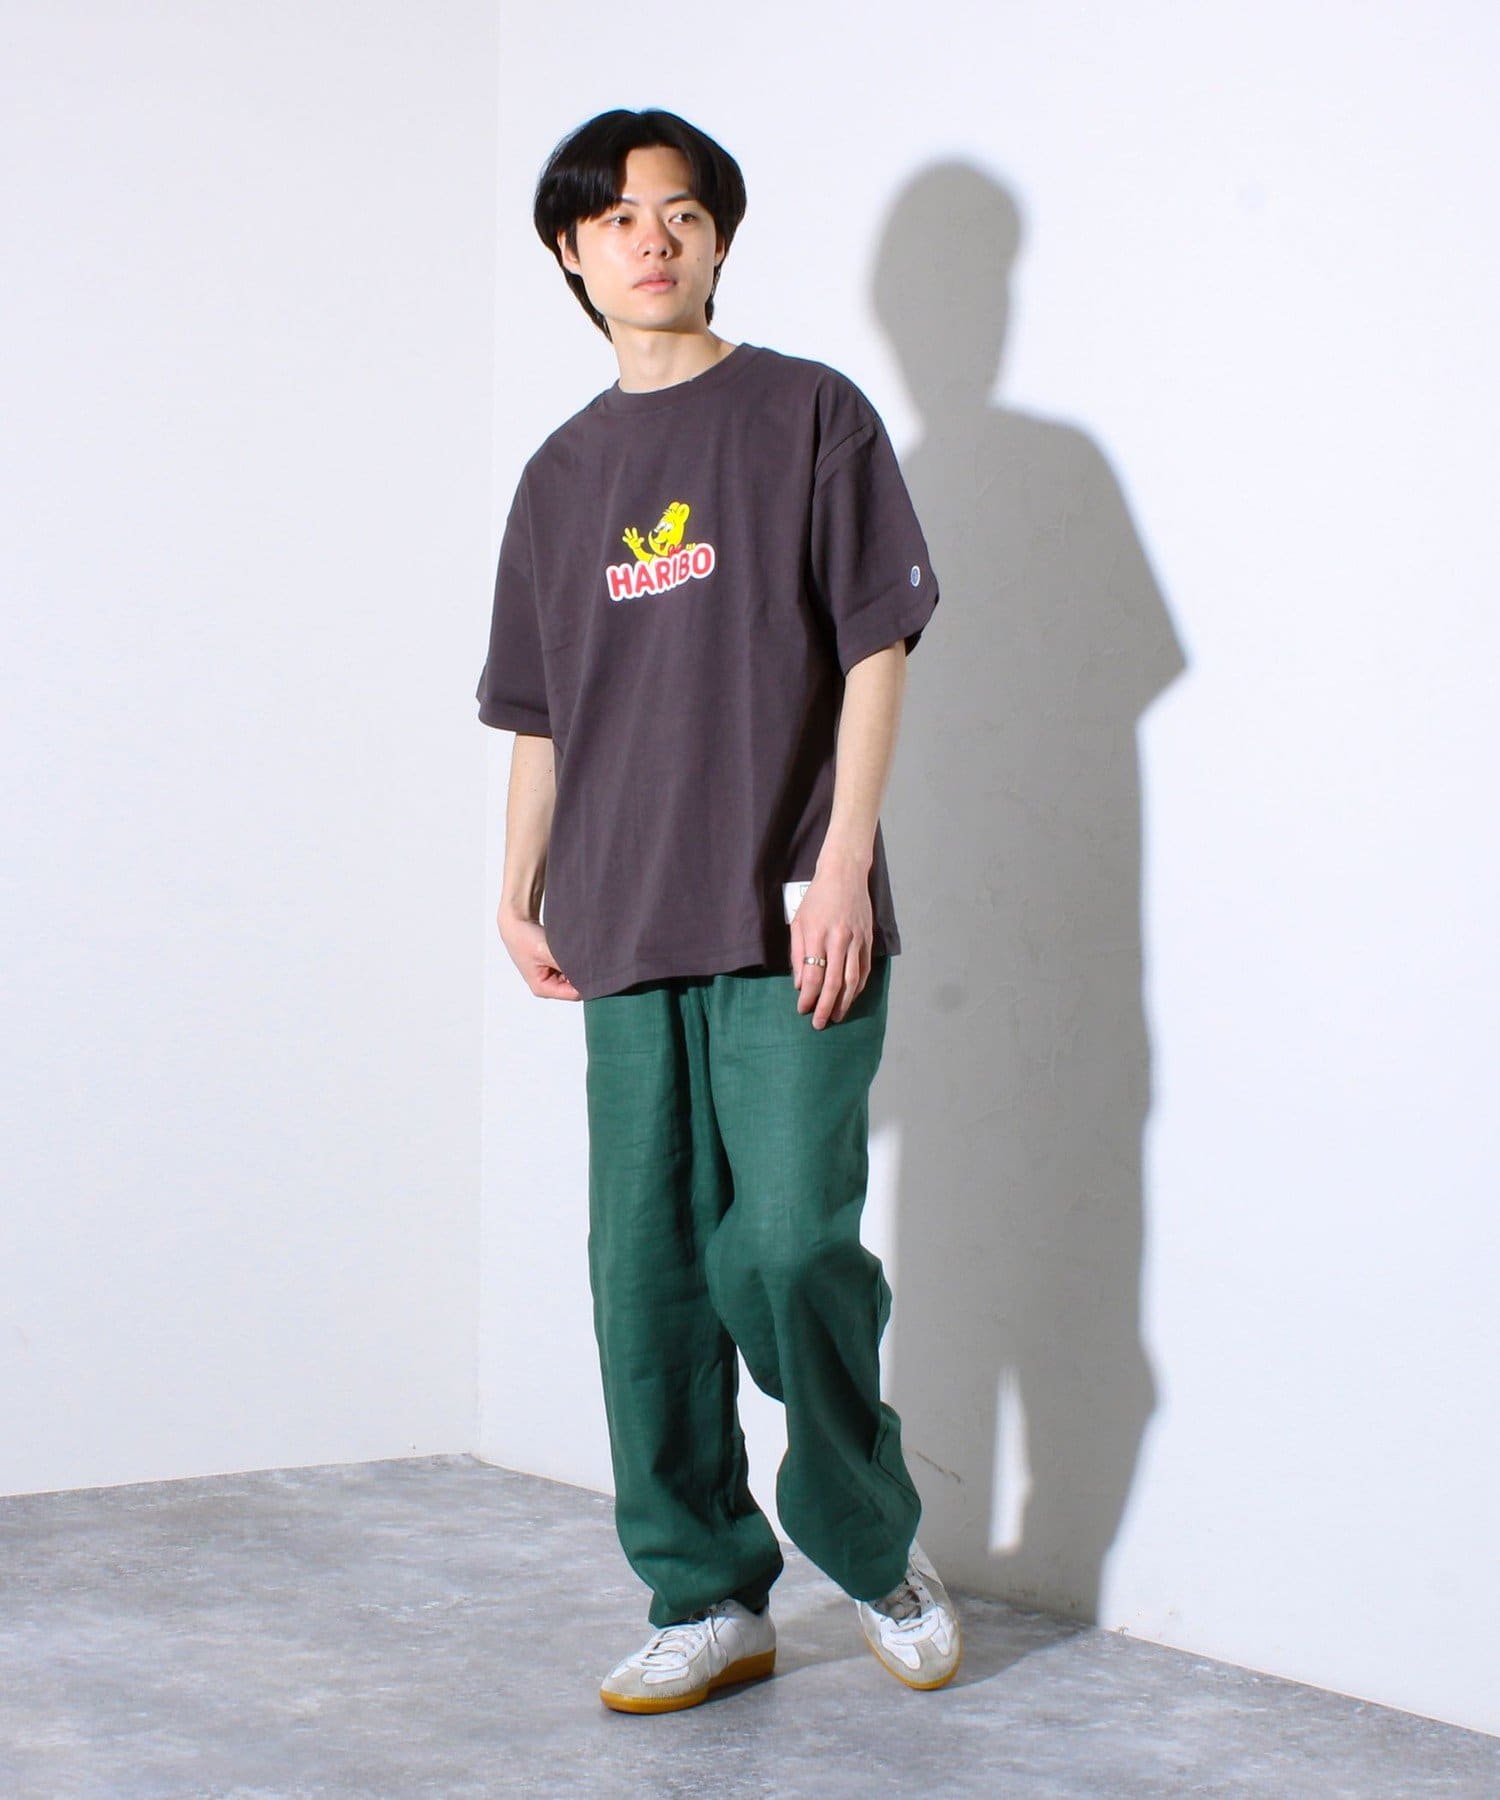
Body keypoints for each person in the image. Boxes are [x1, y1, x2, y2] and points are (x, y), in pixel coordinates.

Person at [475, 106, 961, 1714]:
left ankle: (869, 1539)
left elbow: (875, 648)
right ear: (573, 253)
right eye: (618, 218)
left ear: (719, 238)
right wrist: (516, 882)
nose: (652, 238)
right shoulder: (560, 478)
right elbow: (542, 710)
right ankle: (706, 1594)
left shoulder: (808, 414)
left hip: (790, 904)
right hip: (622, 917)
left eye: (680, 211)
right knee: (647, 1279)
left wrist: (848, 858)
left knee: (788, 1246)